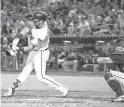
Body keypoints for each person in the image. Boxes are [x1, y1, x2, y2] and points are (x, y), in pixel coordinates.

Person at [3, 11, 69, 97]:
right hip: (34, 52)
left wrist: (18, 48)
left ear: (41, 21)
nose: (33, 22)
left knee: (41, 77)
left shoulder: (42, 33)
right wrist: (16, 38)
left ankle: (62, 88)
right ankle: (12, 88)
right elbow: (26, 29)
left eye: (36, 20)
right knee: (26, 70)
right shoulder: (38, 23)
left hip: (41, 53)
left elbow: (30, 48)